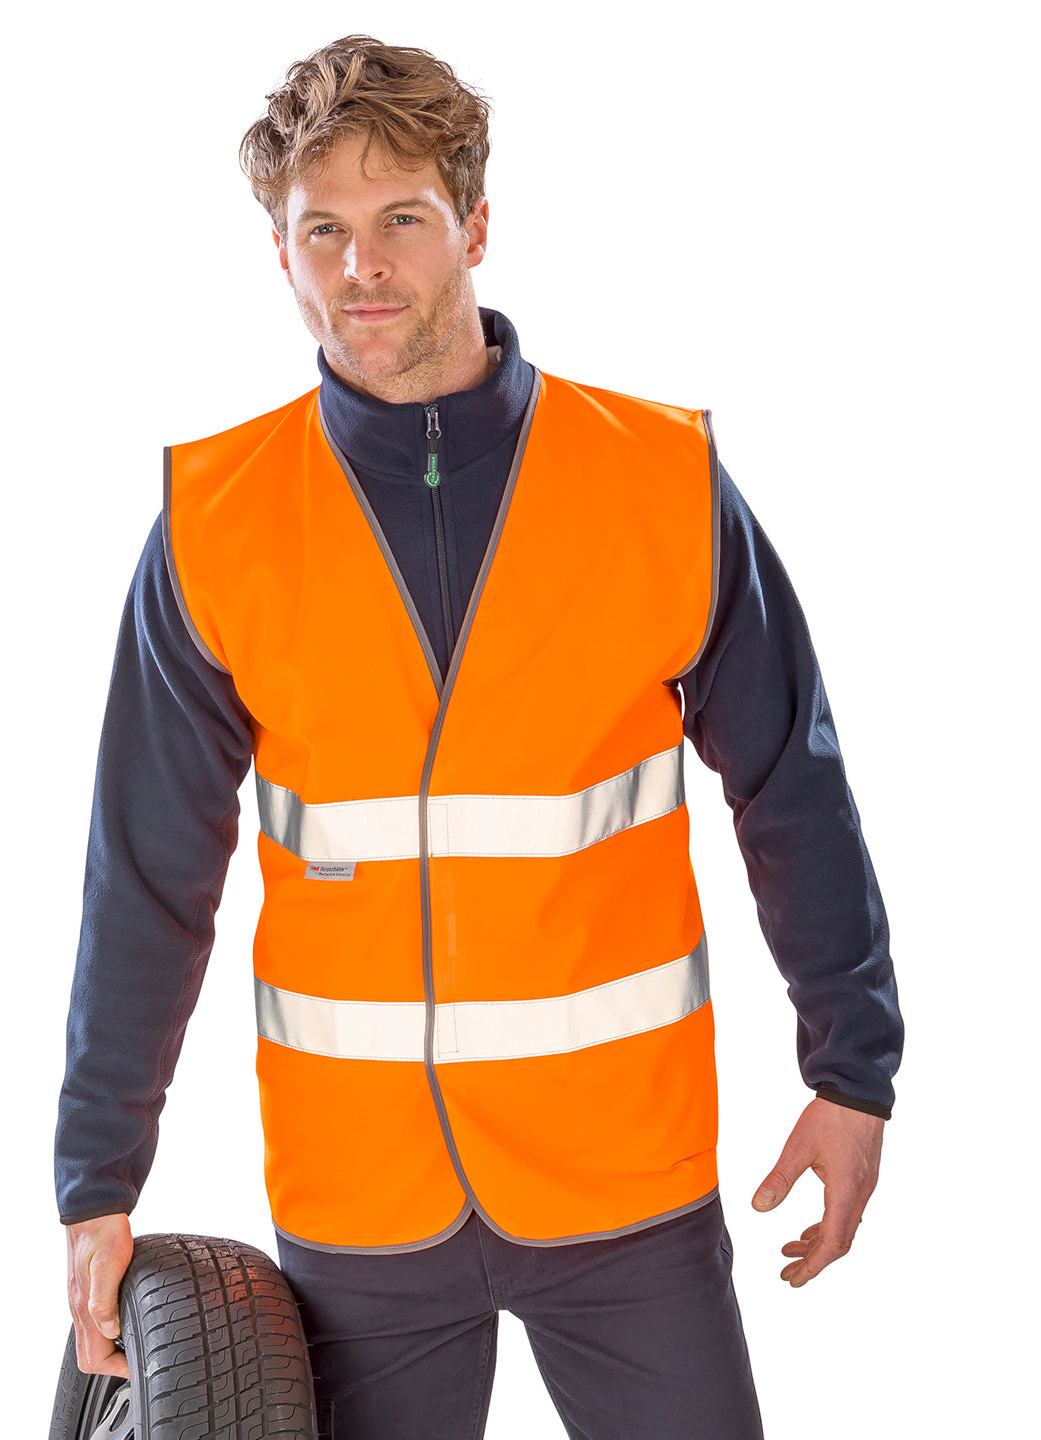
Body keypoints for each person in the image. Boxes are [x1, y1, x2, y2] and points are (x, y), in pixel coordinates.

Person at [56, 33, 903, 1440]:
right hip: (362, 1205)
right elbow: (145, 870)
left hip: (623, 1184)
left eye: (402, 219)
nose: (361, 267)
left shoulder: (659, 483)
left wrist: (851, 1067)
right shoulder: (219, 524)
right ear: (280, 252)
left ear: (477, 226)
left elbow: (792, 786)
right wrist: (98, 1181)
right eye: (321, 230)